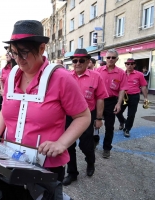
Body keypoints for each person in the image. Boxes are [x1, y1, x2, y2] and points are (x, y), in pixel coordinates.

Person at [0, 20, 91, 199]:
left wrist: (61, 143)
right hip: (10, 159)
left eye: (24, 53)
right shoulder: (12, 75)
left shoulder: (61, 77)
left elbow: (83, 116)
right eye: (14, 53)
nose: (18, 59)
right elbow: (7, 107)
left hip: (45, 165)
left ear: (42, 48)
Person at [63, 49, 108, 186]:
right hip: (69, 115)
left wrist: (99, 119)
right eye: (75, 60)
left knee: (85, 145)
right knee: (68, 144)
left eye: (81, 60)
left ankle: (90, 162)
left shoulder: (96, 76)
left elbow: (100, 98)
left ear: (88, 61)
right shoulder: (66, 76)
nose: (77, 63)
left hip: (87, 115)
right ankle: (72, 173)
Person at [96, 49, 128, 158]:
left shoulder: (121, 73)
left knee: (109, 127)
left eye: (113, 57)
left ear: (117, 59)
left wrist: (118, 104)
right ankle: (95, 141)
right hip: (98, 101)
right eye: (108, 57)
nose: (110, 59)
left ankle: (106, 148)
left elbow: (122, 89)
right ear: (105, 58)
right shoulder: (98, 70)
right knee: (95, 124)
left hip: (111, 101)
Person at [116, 58, 148, 137]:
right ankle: (122, 121)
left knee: (131, 114)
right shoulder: (121, 74)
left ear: (134, 65)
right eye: (128, 64)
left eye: (131, 64)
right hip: (124, 96)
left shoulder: (139, 74)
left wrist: (145, 98)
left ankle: (127, 129)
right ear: (125, 65)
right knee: (117, 111)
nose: (129, 65)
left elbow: (143, 86)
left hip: (134, 96)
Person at [0, 46, 17, 115]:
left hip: (15, 102)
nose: (6, 54)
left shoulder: (20, 68)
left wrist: (6, 93)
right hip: (3, 100)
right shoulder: (4, 69)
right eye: (6, 52)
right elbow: (1, 87)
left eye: (9, 52)